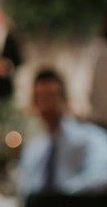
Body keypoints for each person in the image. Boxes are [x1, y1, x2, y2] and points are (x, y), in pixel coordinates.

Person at [18, 68, 107, 198]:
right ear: (34, 103)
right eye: (40, 98)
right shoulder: (34, 149)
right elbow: (25, 190)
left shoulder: (91, 138)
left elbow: (102, 176)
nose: (46, 105)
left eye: (51, 97)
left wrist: (59, 195)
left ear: (65, 99)